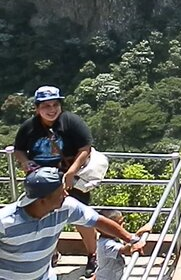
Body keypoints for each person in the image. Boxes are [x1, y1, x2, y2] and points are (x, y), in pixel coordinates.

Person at [13, 85, 100, 276]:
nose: (51, 109)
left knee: (82, 218)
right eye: (46, 106)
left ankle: (93, 255)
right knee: (43, 218)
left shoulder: (70, 122)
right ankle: (51, 253)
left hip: (71, 179)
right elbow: (18, 149)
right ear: (37, 108)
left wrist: (71, 172)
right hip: (42, 182)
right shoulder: (30, 126)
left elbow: (85, 147)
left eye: (55, 105)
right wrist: (26, 162)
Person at [0, 167, 145, 280]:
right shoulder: (5, 222)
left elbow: (98, 220)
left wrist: (131, 239)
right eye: (61, 193)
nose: (66, 195)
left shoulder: (65, 207)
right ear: (42, 200)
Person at [93, 210, 152, 280]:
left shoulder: (114, 236)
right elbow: (126, 250)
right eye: (119, 224)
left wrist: (137, 235)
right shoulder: (106, 244)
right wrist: (138, 235)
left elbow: (126, 242)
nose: (123, 225)